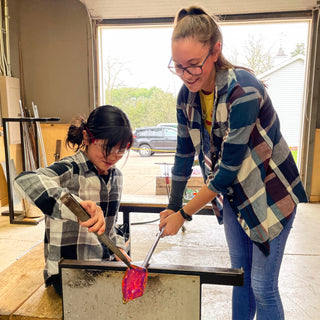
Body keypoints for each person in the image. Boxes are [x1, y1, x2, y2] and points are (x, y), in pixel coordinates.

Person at [159, 6, 308, 320]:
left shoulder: (243, 90)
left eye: (194, 66)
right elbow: (184, 156)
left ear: (215, 51)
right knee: (239, 279)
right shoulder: (187, 98)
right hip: (235, 197)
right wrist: (173, 205)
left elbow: (226, 170)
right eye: (178, 66)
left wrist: (184, 214)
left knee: (262, 286)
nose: (186, 76)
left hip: (271, 194)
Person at [14, 105, 133, 296]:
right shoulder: (70, 169)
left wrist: (117, 246)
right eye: (106, 148)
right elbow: (24, 180)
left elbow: (111, 226)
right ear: (87, 138)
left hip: (104, 265)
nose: (113, 157)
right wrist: (74, 206)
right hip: (68, 272)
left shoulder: (116, 176)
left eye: (120, 150)